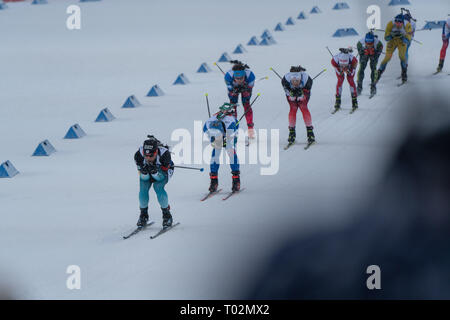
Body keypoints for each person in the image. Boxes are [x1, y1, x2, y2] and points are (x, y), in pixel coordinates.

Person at [134, 135, 174, 228]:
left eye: (151, 155)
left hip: (163, 171)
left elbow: (161, 176)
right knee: (143, 188)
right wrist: (144, 170)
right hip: (148, 171)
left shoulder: (165, 154)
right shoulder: (138, 155)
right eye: (146, 155)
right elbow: (142, 173)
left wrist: (155, 171)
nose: (148, 158)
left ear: (156, 152)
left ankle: (167, 215)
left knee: (158, 187)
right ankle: (143, 215)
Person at [203, 103, 240, 192]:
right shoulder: (214, 119)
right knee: (216, 156)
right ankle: (214, 181)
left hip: (228, 137)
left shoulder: (230, 120)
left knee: (230, 155)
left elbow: (233, 132)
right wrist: (212, 137)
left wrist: (225, 139)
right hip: (219, 138)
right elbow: (205, 128)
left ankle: (235, 180)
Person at [281, 66, 315, 145]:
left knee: (303, 107)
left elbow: (307, 90)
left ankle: (310, 132)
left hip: (304, 91)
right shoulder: (285, 79)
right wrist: (290, 94)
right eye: (293, 81)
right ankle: (292, 132)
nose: (295, 83)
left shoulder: (307, 79)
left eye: (297, 81)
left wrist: (302, 94)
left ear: (300, 79)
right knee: (293, 108)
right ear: (290, 79)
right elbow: (286, 90)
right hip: (291, 91)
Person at [375, 14, 412, 84]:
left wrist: (402, 37)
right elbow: (386, 38)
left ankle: (404, 74)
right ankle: (378, 73)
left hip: (401, 42)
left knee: (402, 56)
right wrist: (392, 35)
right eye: (396, 22)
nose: (397, 24)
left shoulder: (407, 25)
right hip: (392, 41)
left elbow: (408, 40)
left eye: (399, 22)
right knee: (387, 58)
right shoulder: (390, 24)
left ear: (402, 22)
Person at [224, 60, 256, 139]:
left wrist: (245, 88)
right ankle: (232, 129)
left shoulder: (250, 76)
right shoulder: (228, 76)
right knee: (232, 106)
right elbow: (230, 90)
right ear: (233, 76)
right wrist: (234, 90)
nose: (239, 80)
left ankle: (250, 129)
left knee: (246, 105)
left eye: (241, 78)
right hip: (233, 88)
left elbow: (250, 88)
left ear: (244, 76)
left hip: (246, 87)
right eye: (237, 78)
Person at [331, 47, 359, 111]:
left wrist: (348, 71)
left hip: (350, 67)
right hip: (339, 67)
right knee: (340, 80)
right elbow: (338, 72)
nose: (343, 66)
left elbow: (352, 74)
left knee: (350, 80)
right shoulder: (334, 60)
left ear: (348, 62)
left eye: (345, 65)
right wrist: (340, 71)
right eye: (342, 65)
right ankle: (338, 100)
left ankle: (354, 100)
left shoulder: (353, 60)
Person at [356, 31, 383, 96]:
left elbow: (380, 49)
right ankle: (359, 87)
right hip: (364, 54)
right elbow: (360, 51)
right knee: (361, 68)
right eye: (367, 43)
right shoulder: (360, 43)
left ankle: (373, 87)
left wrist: (375, 54)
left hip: (374, 54)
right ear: (365, 41)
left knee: (373, 69)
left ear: (373, 41)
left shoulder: (378, 43)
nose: (369, 45)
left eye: (371, 43)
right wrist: (363, 53)